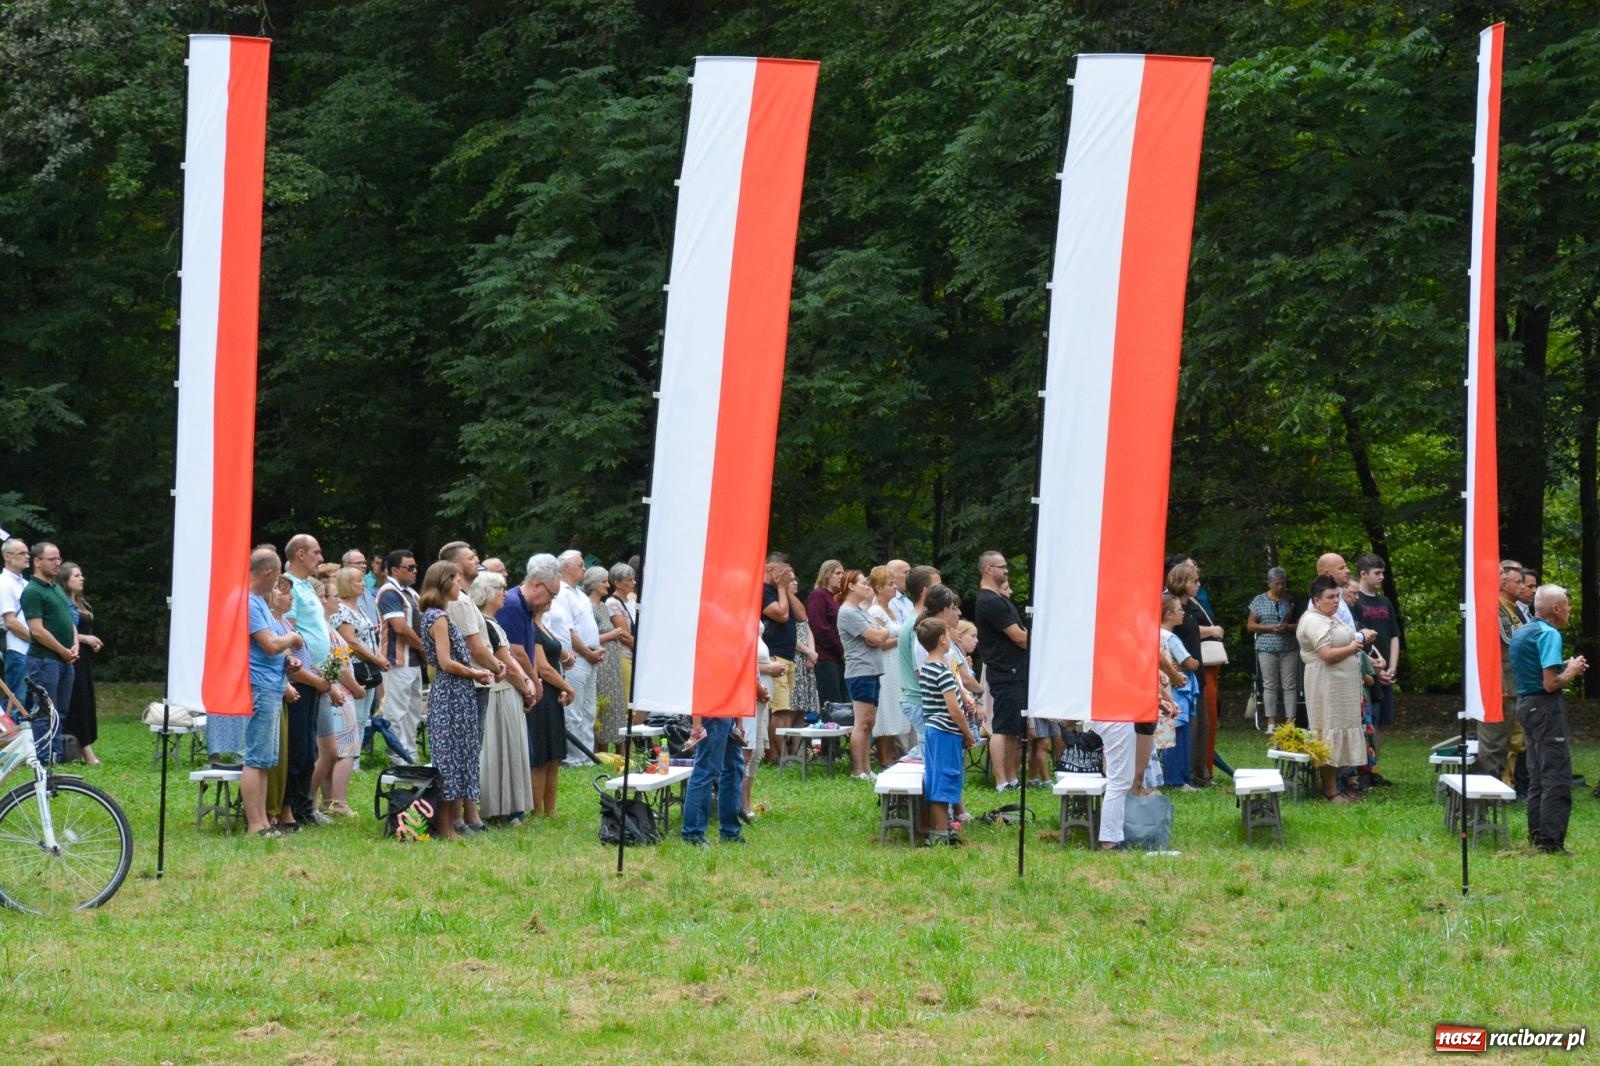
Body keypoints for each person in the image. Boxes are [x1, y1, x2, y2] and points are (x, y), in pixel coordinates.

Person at [1508, 584, 1586, 854]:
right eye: (1567, 605)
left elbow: (1536, 669)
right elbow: (1551, 683)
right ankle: (1551, 843)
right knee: (1556, 774)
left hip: (1526, 706)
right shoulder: (1549, 634)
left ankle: (1537, 835)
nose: (1569, 609)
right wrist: (1572, 671)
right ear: (1555, 608)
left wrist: (1564, 664)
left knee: (1537, 774)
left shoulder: (1524, 631)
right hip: (1545, 708)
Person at [418, 560, 493, 839]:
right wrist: (474, 672)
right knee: (448, 758)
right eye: (456, 579)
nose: (460, 585)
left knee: (460, 754)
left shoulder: (440, 615)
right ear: (444, 582)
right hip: (450, 693)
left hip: (457, 693)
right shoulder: (437, 617)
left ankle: (451, 823)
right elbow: (446, 662)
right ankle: (446, 826)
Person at [1297, 575, 1373, 803]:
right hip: (1325, 684)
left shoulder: (1331, 617)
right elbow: (1327, 654)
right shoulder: (1313, 620)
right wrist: (1353, 647)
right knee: (1328, 730)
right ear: (1316, 600)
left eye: (1338, 596)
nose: (1336, 601)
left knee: (1341, 729)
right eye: (1330, 597)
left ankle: (1342, 785)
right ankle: (1330, 790)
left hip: (1342, 686)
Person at [243, 548, 301, 836]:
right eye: (277, 578)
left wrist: (287, 658)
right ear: (268, 574)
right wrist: (292, 638)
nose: (277, 584)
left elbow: (272, 648)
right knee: (256, 757)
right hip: (260, 685)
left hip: (272, 683)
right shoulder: (250, 603)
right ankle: (254, 824)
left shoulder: (260, 603)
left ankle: (264, 820)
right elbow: (268, 644)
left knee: (266, 759)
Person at [470, 570, 535, 825]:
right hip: (499, 694)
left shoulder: (492, 622)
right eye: (500, 589)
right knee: (499, 750)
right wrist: (526, 686)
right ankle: (499, 808)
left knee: (510, 749)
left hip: (507, 693)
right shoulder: (484, 623)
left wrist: (526, 682)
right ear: (486, 593)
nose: (505, 594)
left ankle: (509, 807)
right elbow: (505, 661)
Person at [283, 534, 337, 825]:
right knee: (298, 749)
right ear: (300, 554)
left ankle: (304, 807)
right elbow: (287, 633)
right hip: (300, 678)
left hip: (315, 676)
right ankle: (291, 809)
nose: (320, 557)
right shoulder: (287, 586)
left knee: (309, 749)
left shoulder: (306, 586)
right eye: (316, 552)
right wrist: (309, 674)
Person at [916, 618, 975, 846]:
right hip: (945, 733)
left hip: (935, 731)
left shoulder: (928, 668)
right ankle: (940, 834)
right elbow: (953, 709)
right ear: (942, 640)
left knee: (938, 779)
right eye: (948, 636)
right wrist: (967, 733)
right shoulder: (941, 671)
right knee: (943, 780)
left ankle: (940, 830)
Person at [311, 578, 365, 818]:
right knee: (347, 748)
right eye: (332, 597)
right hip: (339, 694)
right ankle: (338, 800)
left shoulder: (324, 627)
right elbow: (341, 665)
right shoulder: (325, 630)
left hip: (332, 692)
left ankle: (328, 798)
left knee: (329, 749)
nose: (337, 601)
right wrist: (356, 688)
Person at [975, 550, 1028, 792]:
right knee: (1003, 727)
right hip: (1005, 670)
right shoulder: (990, 601)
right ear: (988, 569)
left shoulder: (999, 599)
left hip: (1015, 671)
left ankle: (1012, 777)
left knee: (1013, 728)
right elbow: (1019, 638)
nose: (1006, 571)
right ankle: (1000, 781)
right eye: (1001, 566)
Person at [20, 542, 77, 763]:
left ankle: (56, 755)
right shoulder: (32, 591)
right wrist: (63, 651)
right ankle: (43, 758)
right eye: (52, 559)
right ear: (37, 561)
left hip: (64, 660)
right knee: (45, 711)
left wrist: (73, 646)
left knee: (60, 711)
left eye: (58, 559)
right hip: (44, 661)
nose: (57, 563)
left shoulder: (56, 588)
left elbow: (69, 620)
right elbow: (37, 631)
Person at [837, 568, 892, 780]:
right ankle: (857, 770)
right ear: (850, 586)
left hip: (872, 670)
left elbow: (880, 633)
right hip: (860, 671)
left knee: (870, 722)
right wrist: (879, 634)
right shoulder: (848, 612)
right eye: (863, 583)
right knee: (862, 722)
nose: (867, 587)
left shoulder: (860, 610)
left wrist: (880, 633)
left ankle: (868, 769)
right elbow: (876, 637)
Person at [1351, 553, 1398, 787]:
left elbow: (1394, 636)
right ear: (1363, 574)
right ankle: (1362, 770)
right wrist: (1376, 670)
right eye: (1377, 573)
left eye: (1383, 573)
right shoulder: (1354, 600)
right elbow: (1356, 639)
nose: (1382, 577)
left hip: (1386, 672)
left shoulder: (1385, 602)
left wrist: (1392, 669)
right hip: (1368, 672)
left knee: (1382, 723)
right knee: (1367, 721)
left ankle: (1375, 768)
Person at [550, 550, 601, 765]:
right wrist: (587, 652)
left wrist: (595, 651)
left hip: (591, 656)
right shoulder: (560, 593)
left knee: (589, 709)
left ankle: (586, 755)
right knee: (574, 709)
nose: (584, 569)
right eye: (580, 565)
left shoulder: (579, 594)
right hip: (577, 658)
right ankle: (573, 758)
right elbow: (569, 631)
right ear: (567, 567)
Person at [376, 549, 426, 762]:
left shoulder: (412, 593)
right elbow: (400, 627)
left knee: (413, 709)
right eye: (410, 568)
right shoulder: (389, 592)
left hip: (413, 661)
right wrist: (425, 648)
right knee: (396, 710)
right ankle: (396, 753)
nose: (415, 571)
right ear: (395, 570)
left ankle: (410, 753)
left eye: (416, 567)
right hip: (397, 660)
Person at [1478, 561, 1525, 784]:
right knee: (1494, 741)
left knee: (1509, 740)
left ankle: (1505, 783)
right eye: (1517, 581)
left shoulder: (1509, 609)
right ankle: (1487, 789)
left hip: (1513, 684)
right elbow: (1488, 650)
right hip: (1498, 686)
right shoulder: (1487, 607)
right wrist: (1498, 684)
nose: (1522, 585)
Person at [333, 566, 386, 754]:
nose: (363, 584)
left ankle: (355, 758)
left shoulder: (360, 608)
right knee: (353, 716)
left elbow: (370, 637)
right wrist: (376, 659)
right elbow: (351, 642)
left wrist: (378, 657)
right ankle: (347, 756)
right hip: (355, 667)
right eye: (358, 581)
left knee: (363, 717)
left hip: (369, 665)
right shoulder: (341, 610)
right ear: (347, 584)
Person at [894, 565, 942, 760]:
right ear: (925, 591)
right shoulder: (920, 624)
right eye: (937, 586)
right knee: (926, 755)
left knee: (926, 750)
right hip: (920, 698)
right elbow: (922, 669)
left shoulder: (918, 620)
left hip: (918, 697)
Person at [58, 562, 104, 765]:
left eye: (81, 574)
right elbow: (65, 627)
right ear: (66, 581)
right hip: (72, 655)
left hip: (84, 659)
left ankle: (78, 747)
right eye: (76, 575)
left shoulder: (82, 603)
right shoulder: (63, 604)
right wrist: (84, 638)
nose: (81, 578)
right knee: (77, 702)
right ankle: (86, 751)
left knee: (86, 700)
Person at [760, 552, 804, 757]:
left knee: (786, 709)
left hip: (788, 657)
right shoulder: (763, 591)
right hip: (774, 655)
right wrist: (780, 588)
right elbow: (781, 614)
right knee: (780, 709)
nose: (788, 576)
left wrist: (786, 589)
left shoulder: (781, 591)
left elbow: (802, 616)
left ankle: (781, 752)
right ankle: (776, 756)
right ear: (770, 569)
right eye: (784, 572)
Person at [1246, 566, 1298, 730]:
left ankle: (1290, 721)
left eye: (1283, 583)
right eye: (1277, 584)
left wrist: (1288, 627)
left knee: (1289, 684)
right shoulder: (1259, 600)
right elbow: (1251, 625)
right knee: (1269, 684)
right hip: (1266, 647)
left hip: (1289, 647)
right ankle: (1271, 722)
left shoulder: (1290, 600)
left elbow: (1300, 624)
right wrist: (1270, 628)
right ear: (1269, 583)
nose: (1281, 587)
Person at [866, 565, 906, 766]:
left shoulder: (892, 610)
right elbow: (876, 643)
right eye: (890, 585)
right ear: (879, 588)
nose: (894, 588)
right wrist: (902, 639)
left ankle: (891, 755)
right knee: (885, 708)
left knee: (893, 707)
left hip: (896, 663)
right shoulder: (875, 611)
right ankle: (884, 757)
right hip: (885, 663)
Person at [1159, 592, 1198, 789]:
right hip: (1176, 690)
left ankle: (1176, 778)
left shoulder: (1156, 634)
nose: (1183, 613)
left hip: (1164, 688)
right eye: (1179, 610)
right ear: (1168, 614)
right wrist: (1198, 662)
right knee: (1178, 734)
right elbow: (1189, 663)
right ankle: (1177, 778)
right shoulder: (1171, 638)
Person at [586, 566, 627, 752]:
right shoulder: (588, 607)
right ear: (594, 584)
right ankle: (600, 750)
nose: (607, 585)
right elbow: (588, 639)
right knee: (604, 704)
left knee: (617, 706)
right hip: (601, 663)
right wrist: (613, 634)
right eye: (603, 581)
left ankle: (619, 747)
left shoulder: (603, 607)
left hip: (612, 663)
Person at [806, 560, 848, 706]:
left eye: (843, 573)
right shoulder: (818, 596)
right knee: (833, 704)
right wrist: (840, 650)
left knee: (843, 703)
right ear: (826, 574)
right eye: (837, 573)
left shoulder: (834, 598)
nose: (842, 577)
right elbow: (819, 628)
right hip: (826, 657)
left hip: (838, 658)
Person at [604, 563, 637, 719]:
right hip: (624, 655)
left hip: (634, 654)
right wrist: (640, 648)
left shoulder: (631, 601)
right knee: (627, 698)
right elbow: (623, 633)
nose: (634, 583)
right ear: (617, 583)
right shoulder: (612, 603)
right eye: (629, 580)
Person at [1, 537, 30, 703]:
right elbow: (11, 622)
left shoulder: (26, 584)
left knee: (28, 702)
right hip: (17, 649)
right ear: (7, 557)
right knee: (16, 701)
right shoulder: (3, 583)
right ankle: (7, 729)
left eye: (27, 553)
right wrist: (36, 640)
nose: (27, 556)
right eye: (22, 553)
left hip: (29, 650)